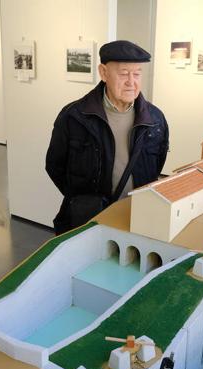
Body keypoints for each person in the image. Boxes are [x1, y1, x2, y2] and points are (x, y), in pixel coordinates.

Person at [46, 40, 169, 234]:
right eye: (123, 74)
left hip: (136, 219)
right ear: (103, 73)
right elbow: (54, 165)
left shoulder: (155, 119)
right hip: (87, 220)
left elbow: (157, 163)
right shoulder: (75, 116)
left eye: (137, 74)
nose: (131, 81)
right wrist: (82, 200)